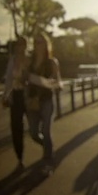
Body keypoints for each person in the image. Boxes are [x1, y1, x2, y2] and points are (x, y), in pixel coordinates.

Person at [27, 33, 61, 176]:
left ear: (46, 45)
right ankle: (49, 149)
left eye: (40, 42)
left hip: (46, 99)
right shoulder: (29, 61)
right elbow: (23, 78)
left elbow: (58, 81)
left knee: (46, 131)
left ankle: (48, 161)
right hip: (32, 100)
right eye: (35, 42)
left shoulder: (51, 62)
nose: (37, 45)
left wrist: (50, 83)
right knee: (34, 133)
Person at [2, 37, 29, 171]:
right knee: (16, 127)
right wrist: (6, 95)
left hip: (29, 95)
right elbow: (8, 78)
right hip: (17, 96)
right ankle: (20, 158)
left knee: (34, 125)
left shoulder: (30, 59)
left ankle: (45, 148)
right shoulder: (12, 60)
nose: (20, 47)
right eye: (17, 45)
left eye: (22, 44)